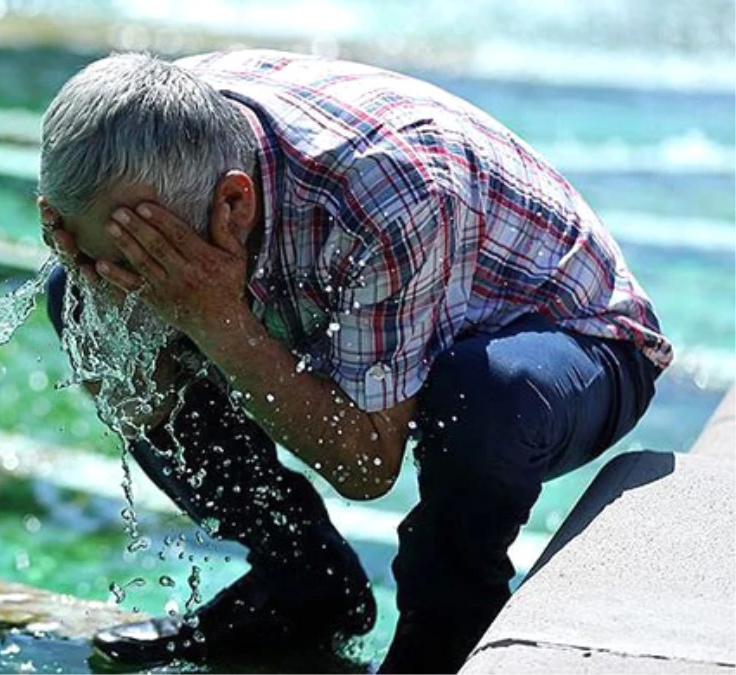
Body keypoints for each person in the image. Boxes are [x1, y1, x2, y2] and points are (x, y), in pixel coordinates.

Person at [37, 50, 670, 673]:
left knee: (480, 394)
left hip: (574, 344)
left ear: (233, 204)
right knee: (76, 302)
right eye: (94, 254)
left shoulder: (389, 192)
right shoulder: (135, 133)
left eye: (139, 260)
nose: (113, 276)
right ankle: (304, 585)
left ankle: (443, 637)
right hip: (373, 298)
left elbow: (366, 465)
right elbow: (140, 405)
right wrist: (96, 290)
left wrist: (217, 322)